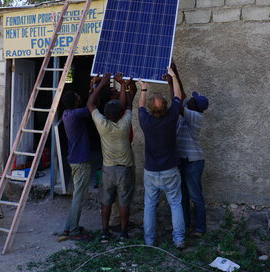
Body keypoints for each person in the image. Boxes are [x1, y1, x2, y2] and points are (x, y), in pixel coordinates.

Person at [138, 67, 186, 249]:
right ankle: (179, 240)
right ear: (166, 107)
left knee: (149, 206)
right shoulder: (171, 118)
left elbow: (140, 106)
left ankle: (149, 241)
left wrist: (143, 88)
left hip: (151, 171)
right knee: (175, 204)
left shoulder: (145, 121)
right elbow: (178, 97)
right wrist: (173, 76)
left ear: (151, 109)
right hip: (170, 170)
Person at [87, 73, 136, 243]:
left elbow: (90, 104)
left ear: (105, 114)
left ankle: (105, 232)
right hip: (125, 168)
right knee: (124, 202)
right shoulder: (125, 123)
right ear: (120, 114)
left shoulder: (102, 125)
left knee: (106, 202)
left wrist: (100, 85)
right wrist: (124, 85)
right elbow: (128, 104)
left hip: (108, 169)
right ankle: (123, 233)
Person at [172, 62, 209, 237]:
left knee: (195, 196)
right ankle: (186, 225)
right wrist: (174, 72)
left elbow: (177, 102)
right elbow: (181, 94)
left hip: (193, 162)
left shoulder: (194, 116)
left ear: (195, 106)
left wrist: (172, 82)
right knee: (184, 196)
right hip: (185, 160)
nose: (190, 99)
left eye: (193, 100)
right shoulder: (190, 108)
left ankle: (200, 228)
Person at [58, 90, 91, 241]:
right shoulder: (77, 114)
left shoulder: (67, 113)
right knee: (78, 196)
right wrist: (101, 85)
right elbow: (91, 105)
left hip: (74, 160)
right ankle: (74, 231)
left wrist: (91, 88)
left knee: (76, 195)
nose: (81, 98)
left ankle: (68, 227)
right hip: (80, 161)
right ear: (76, 102)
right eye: (79, 96)